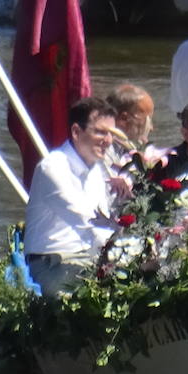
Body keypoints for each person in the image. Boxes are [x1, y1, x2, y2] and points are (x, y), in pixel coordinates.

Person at [22, 97, 118, 296]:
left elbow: (105, 223)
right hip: (51, 262)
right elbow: (87, 221)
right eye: (100, 131)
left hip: (91, 259)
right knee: (80, 304)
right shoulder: (53, 167)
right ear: (76, 131)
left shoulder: (98, 169)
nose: (108, 140)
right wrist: (124, 248)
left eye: (111, 133)